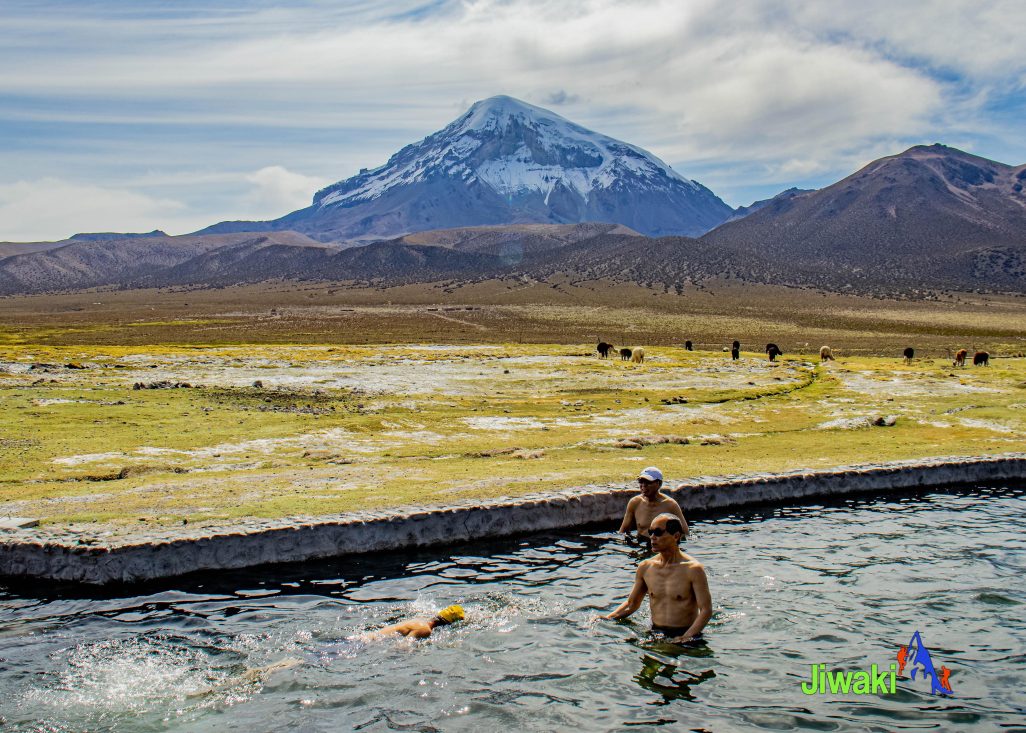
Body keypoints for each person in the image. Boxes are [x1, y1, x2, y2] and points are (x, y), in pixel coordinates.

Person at [605, 513, 712, 642]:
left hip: (686, 635)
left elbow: (706, 610)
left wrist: (685, 637)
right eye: (650, 532)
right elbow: (632, 604)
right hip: (656, 633)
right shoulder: (645, 567)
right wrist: (606, 619)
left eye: (658, 532)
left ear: (676, 536)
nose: (652, 537)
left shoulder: (693, 569)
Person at [618, 467, 688, 539]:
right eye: (641, 481)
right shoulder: (635, 502)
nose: (643, 485)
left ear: (659, 483)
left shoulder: (670, 505)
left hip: (661, 544)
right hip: (641, 543)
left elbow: (685, 533)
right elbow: (623, 531)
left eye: (648, 482)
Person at [364, 604, 465, 640]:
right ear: (448, 623)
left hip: (365, 637)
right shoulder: (425, 629)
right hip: (367, 644)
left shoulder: (421, 619)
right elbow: (401, 647)